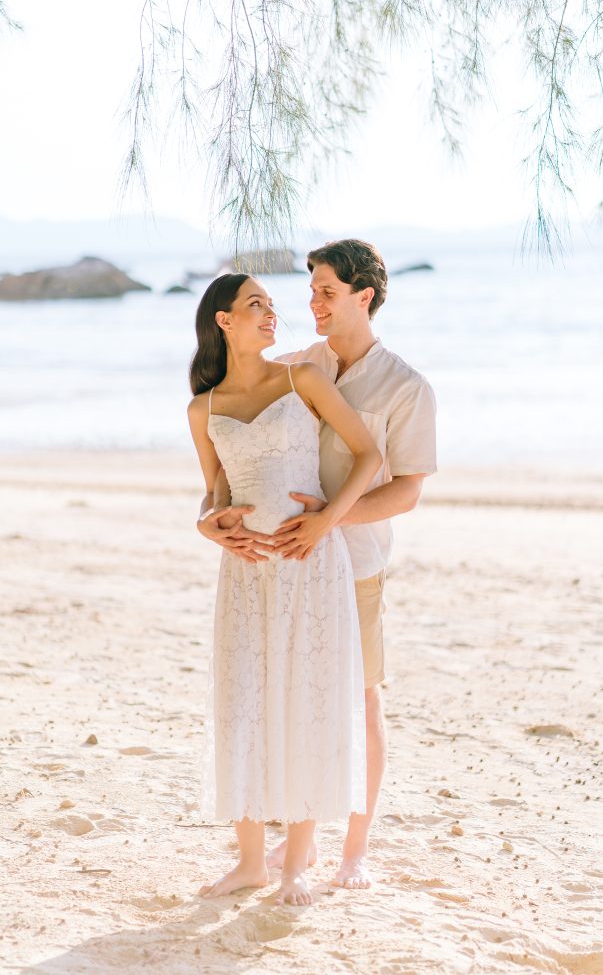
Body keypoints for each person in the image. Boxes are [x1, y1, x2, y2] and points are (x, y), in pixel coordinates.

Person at [198, 239, 437, 890]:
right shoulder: (300, 364)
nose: (313, 304)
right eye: (309, 292)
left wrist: (325, 522)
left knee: (359, 699)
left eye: (326, 292)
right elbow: (239, 447)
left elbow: (406, 489)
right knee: (286, 697)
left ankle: (353, 849)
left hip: (353, 562)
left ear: (363, 297)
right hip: (277, 566)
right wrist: (214, 517)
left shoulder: (406, 388)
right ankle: (284, 844)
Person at [187, 272, 382, 906]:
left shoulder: (304, 381)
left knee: (307, 702)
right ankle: (250, 863)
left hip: (307, 564)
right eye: (257, 305)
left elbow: (368, 456)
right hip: (244, 575)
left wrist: (328, 518)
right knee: (243, 706)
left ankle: (295, 865)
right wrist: (208, 526)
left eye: (273, 305)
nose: (274, 314)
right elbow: (215, 494)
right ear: (224, 321)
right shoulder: (204, 408)